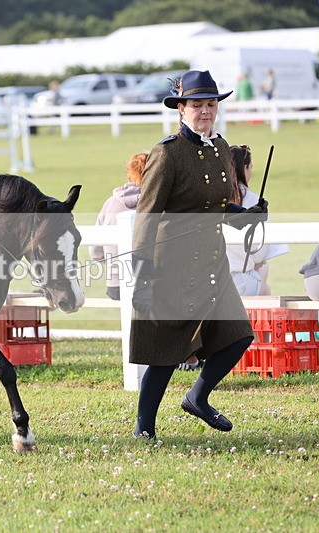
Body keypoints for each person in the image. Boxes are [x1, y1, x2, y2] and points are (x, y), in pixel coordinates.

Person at [130, 70, 268, 439]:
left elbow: (219, 206)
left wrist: (247, 215)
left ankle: (197, 398)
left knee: (238, 335)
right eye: (197, 105)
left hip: (211, 261)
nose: (205, 111)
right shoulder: (167, 154)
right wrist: (141, 276)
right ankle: (144, 428)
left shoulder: (221, 148)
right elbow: (146, 216)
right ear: (181, 109)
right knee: (167, 348)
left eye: (210, 104)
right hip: (170, 265)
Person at [225, 144, 288, 296]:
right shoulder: (254, 201)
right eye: (250, 167)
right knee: (264, 271)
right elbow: (260, 253)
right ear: (245, 168)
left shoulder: (213, 199)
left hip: (212, 280)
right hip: (240, 283)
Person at [89, 151, 148, 301]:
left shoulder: (110, 203)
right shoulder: (155, 203)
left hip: (115, 284)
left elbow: (95, 252)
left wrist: (113, 266)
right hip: (147, 283)